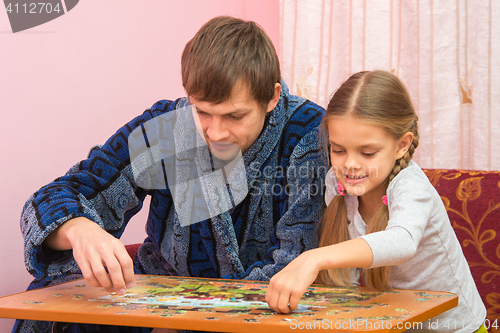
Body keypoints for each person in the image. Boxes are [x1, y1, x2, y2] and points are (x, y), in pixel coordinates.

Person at [14, 16, 327, 333]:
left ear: (272, 97)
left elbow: (295, 261)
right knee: (48, 314)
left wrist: (190, 322)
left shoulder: (309, 134)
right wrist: (80, 229)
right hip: (160, 295)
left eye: (234, 116)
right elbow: (61, 194)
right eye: (202, 111)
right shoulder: (170, 126)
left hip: (264, 306)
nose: (215, 132)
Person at [265, 70, 487, 333]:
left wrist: (314, 258)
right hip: (396, 324)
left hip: (454, 329)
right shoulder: (335, 185)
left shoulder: (410, 185)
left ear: (402, 145)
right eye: (337, 149)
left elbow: (402, 241)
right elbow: (348, 279)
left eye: (368, 152)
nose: (349, 164)